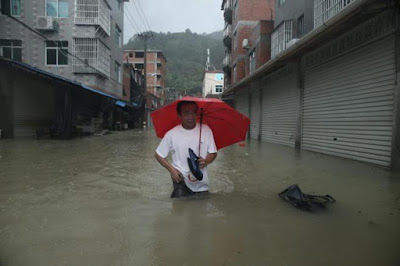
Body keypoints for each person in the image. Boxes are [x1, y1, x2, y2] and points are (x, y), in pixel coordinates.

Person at [155, 101, 217, 198]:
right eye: (187, 113)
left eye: (193, 113)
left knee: (201, 210)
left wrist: (205, 161)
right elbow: (159, 155)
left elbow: (213, 153)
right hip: (180, 179)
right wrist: (172, 170)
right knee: (179, 206)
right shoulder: (171, 134)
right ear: (179, 115)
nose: (191, 117)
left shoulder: (206, 130)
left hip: (201, 181)